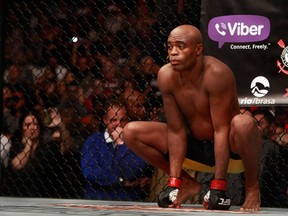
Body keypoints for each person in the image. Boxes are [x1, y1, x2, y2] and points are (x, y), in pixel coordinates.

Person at [123, 25, 262, 211]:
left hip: (230, 150)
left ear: (198, 50)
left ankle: (253, 187)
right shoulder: (166, 75)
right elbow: (175, 129)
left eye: (181, 46)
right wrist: (174, 182)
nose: (173, 52)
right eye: (170, 46)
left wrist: (218, 185)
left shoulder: (217, 73)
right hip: (194, 147)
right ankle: (189, 183)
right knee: (131, 132)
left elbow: (221, 129)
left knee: (244, 122)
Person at [80, 98, 153, 201]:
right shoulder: (93, 141)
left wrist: (121, 144)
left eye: (122, 120)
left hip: (129, 200)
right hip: (98, 199)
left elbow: (133, 171)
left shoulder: (135, 142)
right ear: (105, 120)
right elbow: (91, 173)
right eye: (114, 120)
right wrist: (121, 180)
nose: (118, 124)